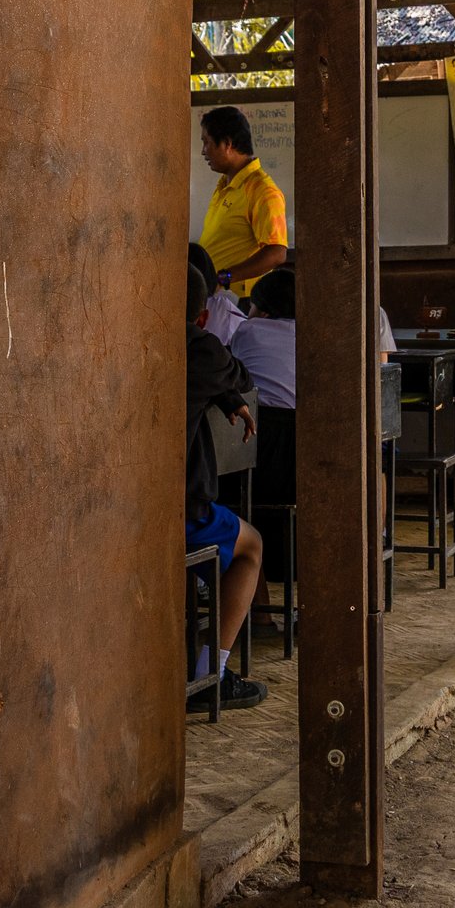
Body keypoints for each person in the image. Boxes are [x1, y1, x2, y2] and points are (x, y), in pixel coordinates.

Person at [184, 265, 266, 712]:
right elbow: (240, 377)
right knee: (251, 545)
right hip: (177, 513)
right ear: (202, 317)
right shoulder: (202, 348)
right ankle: (208, 675)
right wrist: (228, 394)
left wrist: (223, 395)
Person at [198, 106, 288, 298]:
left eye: (207, 143)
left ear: (228, 144)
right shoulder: (225, 183)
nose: (203, 152)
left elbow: (277, 252)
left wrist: (225, 277)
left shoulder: (262, 189)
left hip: (237, 303)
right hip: (215, 297)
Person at [224, 267, 297, 409]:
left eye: (251, 307)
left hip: (257, 415)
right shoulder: (308, 335)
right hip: (297, 418)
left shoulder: (248, 329)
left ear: (263, 313)